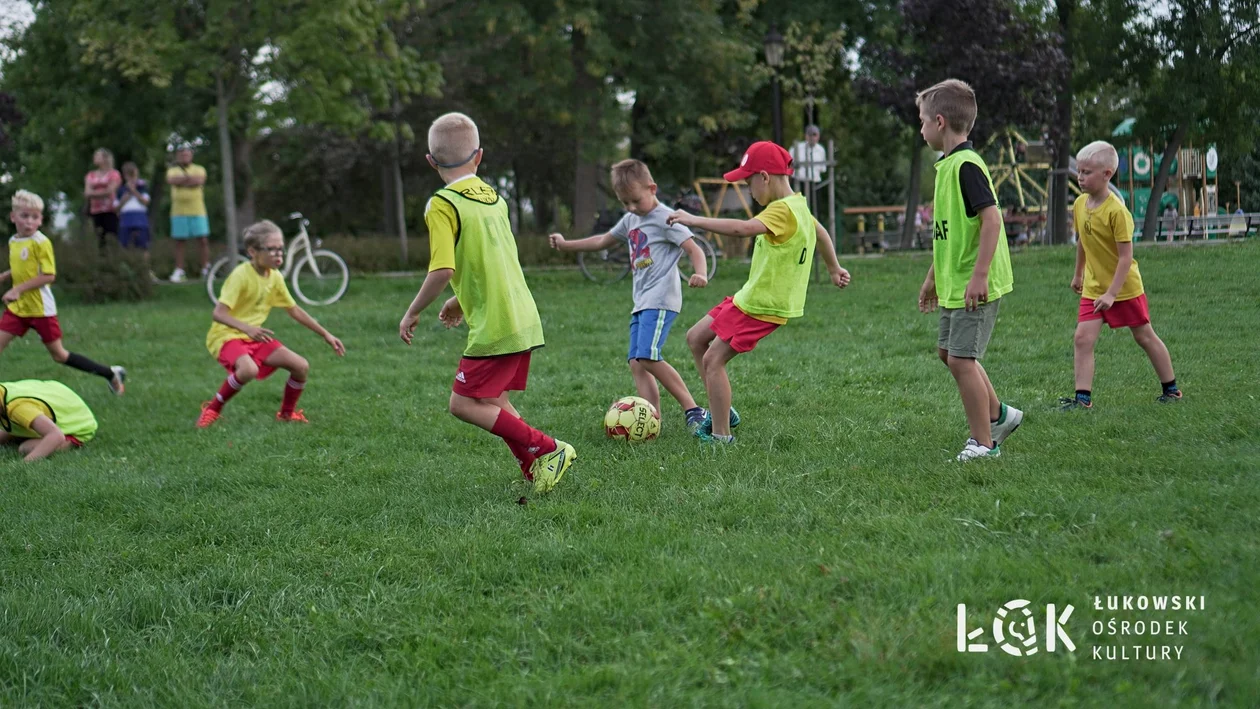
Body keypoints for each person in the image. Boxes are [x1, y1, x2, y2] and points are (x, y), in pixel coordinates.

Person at [398, 112, 574, 493]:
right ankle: (535, 467)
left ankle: (549, 448)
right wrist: (459, 302)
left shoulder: (442, 204)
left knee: (462, 405)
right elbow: (491, 261)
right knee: (493, 399)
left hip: (495, 324)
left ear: (431, 162)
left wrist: (413, 311)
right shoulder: (495, 199)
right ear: (479, 156)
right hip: (521, 314)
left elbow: (443, 268)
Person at [667, 141, 851, 444]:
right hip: (750, 297)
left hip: (763, 305)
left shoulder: (781, 211)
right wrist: (834, 268)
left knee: (714, 360)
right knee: (695, 338)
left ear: (765, 177)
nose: (749, 189)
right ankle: (721, 409)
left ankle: (721, 437)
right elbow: (820, 231)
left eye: (748, 181)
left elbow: (742, 229)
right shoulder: (798, 206)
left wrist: (692, 219)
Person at [548, 159, 710, 431]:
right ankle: (651, 420)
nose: (632, 207)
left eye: (635, 200)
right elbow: (601, 241)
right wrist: (567, 245)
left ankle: (694, 410)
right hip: (641, 301)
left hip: (661, 299)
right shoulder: (631, 220)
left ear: (652, 188)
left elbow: (694, 249)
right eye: (625, 203)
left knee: (647, 355)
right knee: (637, 363)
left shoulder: (666, 218)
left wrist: (701, 273)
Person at [914, 79, 1022, 462]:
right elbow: (951, 233)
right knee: (950, 354)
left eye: (923, 121)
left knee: (961, 359)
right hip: (954, 282)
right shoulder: (947, 167)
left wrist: (979, 275)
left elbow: (991, 221)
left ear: (940, 122)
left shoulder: (967, 166)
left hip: (975, 284)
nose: (921, 128)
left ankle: (984, 443)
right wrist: (931, 278)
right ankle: (1000, 416)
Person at [1061, 140, 1181, 411]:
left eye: (1087, 172)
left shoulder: (1117, 211)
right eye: (1079, 171)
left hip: (1123, 287)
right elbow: (1083, 240)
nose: (1080, 177)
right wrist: (1078, 273)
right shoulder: (1080, 204)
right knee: (1082, 338)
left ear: (1107, 174)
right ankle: (1082, 399)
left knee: (1144, 336)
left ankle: (1171, 390)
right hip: (1094, 287)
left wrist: (1112, 293)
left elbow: (1126, 258)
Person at [197, 220, 345, 428]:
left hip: (255, 337)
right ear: (252, 252)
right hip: (226, 336)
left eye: (281, 249)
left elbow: (294, 310)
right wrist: (248, 328)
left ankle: (286, 414)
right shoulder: (240, 275)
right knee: (248, 370)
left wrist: (326, 334)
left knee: (300, 366)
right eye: (272, 249)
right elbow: (218, 314)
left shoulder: (274, 277)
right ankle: (212, 409)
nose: (278, 255)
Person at [0, 190, 127, 394]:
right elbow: (24, 268)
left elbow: (48, 276)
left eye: (34, 217)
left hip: (41, 309)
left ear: (41, 220)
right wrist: (6, 276)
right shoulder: (14, 241)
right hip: (18, 309)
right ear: (13, 217)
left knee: (59, 355)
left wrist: (18, 288)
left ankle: (110, 373)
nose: (29, 222)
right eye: (24, 216)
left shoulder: (41, 243)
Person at [0, 379, 98, 462]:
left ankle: (70, 441)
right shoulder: (3, 392)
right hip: (58, 396)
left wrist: (24, 464)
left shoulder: (19, 409)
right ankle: (31, 431)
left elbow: (56, 435)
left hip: (78, 423)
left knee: (25, 448)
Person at [166, 145, 211, 283]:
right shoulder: (172, 170)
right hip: (178, 211)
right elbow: (172, 181)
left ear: (191, 156)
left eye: (187, 154)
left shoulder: (199, 169)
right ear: (177, 156)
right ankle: (179, 270)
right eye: (181, 154)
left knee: (202, 240)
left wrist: (183, 181)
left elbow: (199, 180)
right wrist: (189, 180)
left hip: (197, 210)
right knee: (180, 241)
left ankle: (205, 269)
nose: (184, 157)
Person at [115, 162, 154, 277]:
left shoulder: (142, 187)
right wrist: (124, 200)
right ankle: (125, 271)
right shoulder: (121, 190)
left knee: (143, 246)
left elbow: (146, 202)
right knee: (124, 245)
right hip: (126, 219)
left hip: (140, 218)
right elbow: (116, 207)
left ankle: (146, 271)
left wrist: (134, 192)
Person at [84, 148, 121, 249]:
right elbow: (87, 193)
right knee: (99, 238)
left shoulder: (114, 174)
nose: (94, 158)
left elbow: (111, 191)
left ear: (105, 159)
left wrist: (94, 193)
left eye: (97, 155)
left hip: (111, 210)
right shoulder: (91, 175)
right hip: (95, 211)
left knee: (112, 237)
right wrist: (104, 192)